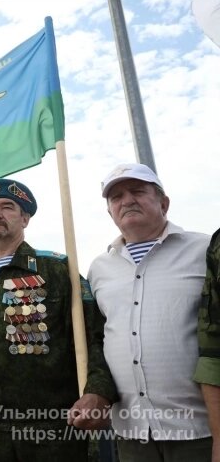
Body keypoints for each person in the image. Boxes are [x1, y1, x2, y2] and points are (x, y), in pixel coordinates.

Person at [0, 178, 118, 461]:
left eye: (7, 207)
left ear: (25, 218)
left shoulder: (56, 269)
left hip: (54, 428)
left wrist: (98, 391)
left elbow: (96, 335)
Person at [88, 164, 212, 460]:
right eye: (116, 197)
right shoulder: (99, 269)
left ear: (164, 203)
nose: (127, 200)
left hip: (199, 427)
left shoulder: (205, 250)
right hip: (131, 431)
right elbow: (97, 337)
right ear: (110, 212)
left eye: (138, 191)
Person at [197, 229, 220, 462]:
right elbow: (212, 349)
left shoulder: (198, 246)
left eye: (138, 190)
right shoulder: (216, 246)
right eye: (116, 197)